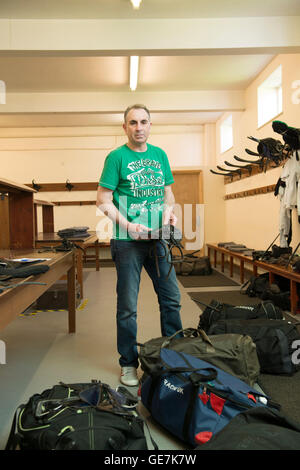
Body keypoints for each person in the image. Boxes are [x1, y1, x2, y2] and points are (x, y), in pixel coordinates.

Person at [96, 104, 183, 386]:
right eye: (132, 122)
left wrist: (170, 211)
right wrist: (128, 225)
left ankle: (176, 357)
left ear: (150, 124)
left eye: (143, 122)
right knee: (128, 307)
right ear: (125, 127)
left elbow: (168, 193)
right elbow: (103, 200)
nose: (139, 127)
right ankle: (128, 363)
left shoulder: (160, 156)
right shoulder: (116, 157)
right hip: (127, 242)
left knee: (171, 299)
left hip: (158, 238)